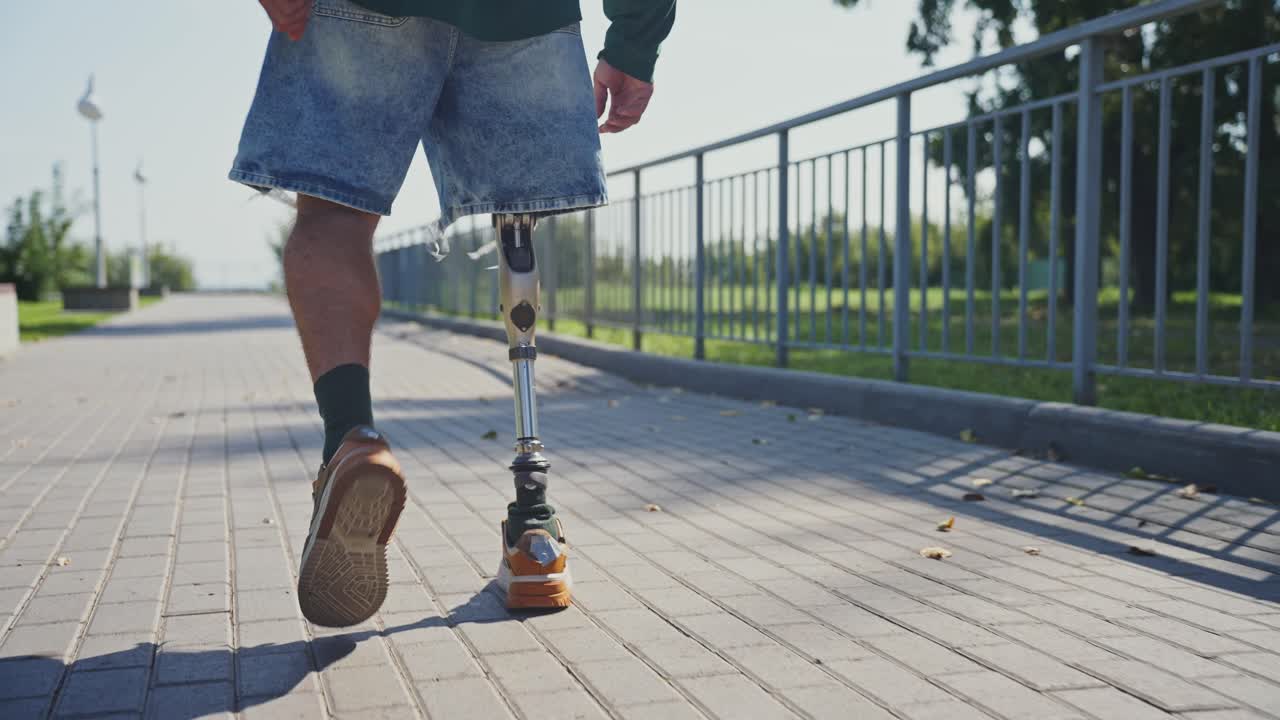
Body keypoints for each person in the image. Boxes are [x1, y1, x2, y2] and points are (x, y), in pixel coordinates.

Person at [231, 0, 675, 626]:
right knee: (517, 220)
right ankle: (533, 532)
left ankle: (352, 439)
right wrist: (635, 40)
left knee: (333, 215)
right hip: (525, 18)